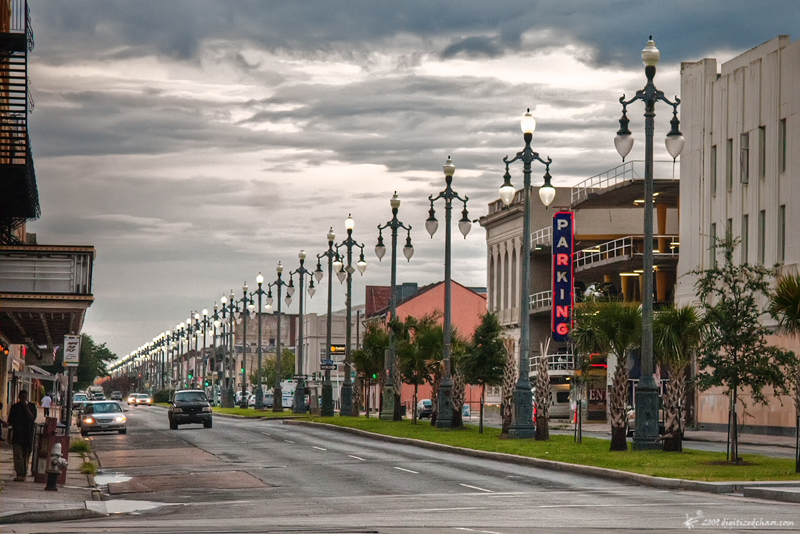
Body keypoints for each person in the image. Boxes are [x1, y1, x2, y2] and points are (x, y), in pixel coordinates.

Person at [8, 390, 37, 481]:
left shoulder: (32, 406)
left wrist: (27, 409)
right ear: (19, 397)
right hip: (17, 435)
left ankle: (24, 473)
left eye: (26, 397)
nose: (24, 399)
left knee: (26, 456)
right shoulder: (15, 407)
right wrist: (9, 435)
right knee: (18, 455)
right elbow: (10, 422)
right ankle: (20, 473)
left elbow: (33, 418)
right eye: (22, 397)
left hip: (28, 435)